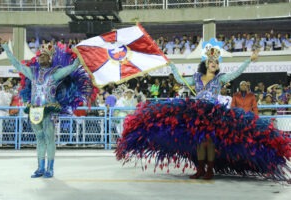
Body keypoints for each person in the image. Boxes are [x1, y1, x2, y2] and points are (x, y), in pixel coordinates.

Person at [116, 45, 291, 183]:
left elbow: (236, 73)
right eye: (210, 61)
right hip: (196, 112)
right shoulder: (197, 77)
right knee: (200, 142)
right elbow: (179, 80)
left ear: (217, 66)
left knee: (208, 142)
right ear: (206, 64)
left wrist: (249, 60)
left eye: (215, 62)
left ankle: (209, 169)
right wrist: (172, 66)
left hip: (213, 113)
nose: (212, 64)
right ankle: (200, 168)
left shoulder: (220, 78)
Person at [2, 42, 92, 178]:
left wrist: (80, 53)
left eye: (44, 55)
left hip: (49, 111)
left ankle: (50, 169)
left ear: (50, 58)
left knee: (49, 138)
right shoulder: (32, 73)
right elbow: (17, 65)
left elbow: (73, 67)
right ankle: (40, 168)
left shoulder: (54, 74)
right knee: (39, 139)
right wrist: (7, 50)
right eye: (40, 55)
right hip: (34, 111)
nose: (41, 57)